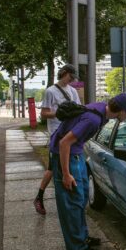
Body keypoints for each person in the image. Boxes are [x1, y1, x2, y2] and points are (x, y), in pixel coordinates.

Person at [49, 93, 126, 250]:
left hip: (76, 155)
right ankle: (77, 248)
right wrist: (66, 174)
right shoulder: (94, 120)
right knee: (72, 203)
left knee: (81, 198)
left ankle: (82, 237)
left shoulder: (102, 112)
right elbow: (64, 143)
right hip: (67, 157)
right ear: (122, 111)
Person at [33, 64, 81, 215]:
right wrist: (60, 114)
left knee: (55, 168)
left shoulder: (73, 91)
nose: (71, 80)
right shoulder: (50, 91)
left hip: (70, 133)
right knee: (57, 168)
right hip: (57, 135)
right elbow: (44, 114)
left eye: (73, 78)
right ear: (64, 73)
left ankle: (41, 197)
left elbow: (78, 109)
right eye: (70, 77)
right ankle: (44, 198)